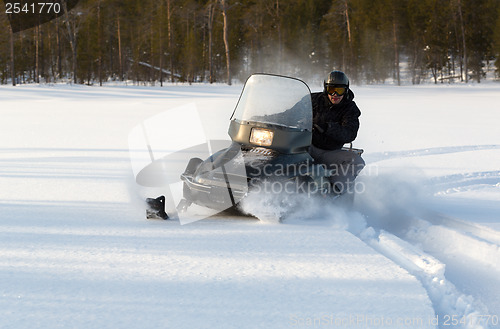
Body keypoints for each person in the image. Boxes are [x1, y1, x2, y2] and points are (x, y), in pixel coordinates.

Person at [310, 70, 365, 195]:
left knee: (356, 162)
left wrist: (328, 128)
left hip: (330, 153)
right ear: (326, 89)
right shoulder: (313, 100)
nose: (335, 94)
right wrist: (267, 117)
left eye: (339, 91)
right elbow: (291, 111)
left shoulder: (350, 108)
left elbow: (349, 133)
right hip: (306, 145)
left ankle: (333, 192)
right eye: (331, 90)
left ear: (345, 91)